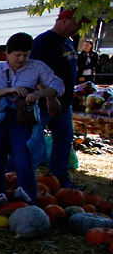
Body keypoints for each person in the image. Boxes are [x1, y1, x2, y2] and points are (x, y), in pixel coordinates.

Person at [0, 32, 63, 204]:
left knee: (23, 160)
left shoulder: (36, 67)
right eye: (17, 55)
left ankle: (29, 200)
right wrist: (10, 90)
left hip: (22, 119)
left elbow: (58, 85)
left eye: (25, 55)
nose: (22, 59)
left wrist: (40, 93)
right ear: (7, 53)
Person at [32, 9, 83, 188]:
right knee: (32, 143)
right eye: (76, 23)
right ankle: (16, 177)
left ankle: (59, 180)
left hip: (64, 104)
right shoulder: (43, 42)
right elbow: (36, 72)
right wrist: (48, 97)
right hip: (45, 104)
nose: (79, 27)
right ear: (63, 20)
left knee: (63, 141)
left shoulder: (68, 43)